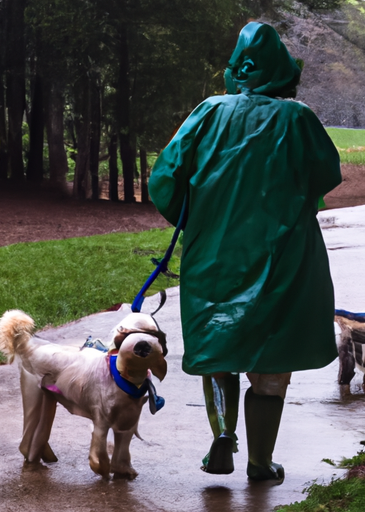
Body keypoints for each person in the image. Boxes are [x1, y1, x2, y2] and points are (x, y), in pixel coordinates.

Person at [148, 21, 342, 483]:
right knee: (272, 356)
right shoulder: (298, 118)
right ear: (281, 72)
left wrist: (197, 220)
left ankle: (222, 436)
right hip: (285, 254)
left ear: (236, 70)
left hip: (213, 253)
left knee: (219, 344)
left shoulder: (206, 113)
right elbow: (325, 176)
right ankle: (260, 461)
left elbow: (163, 181)